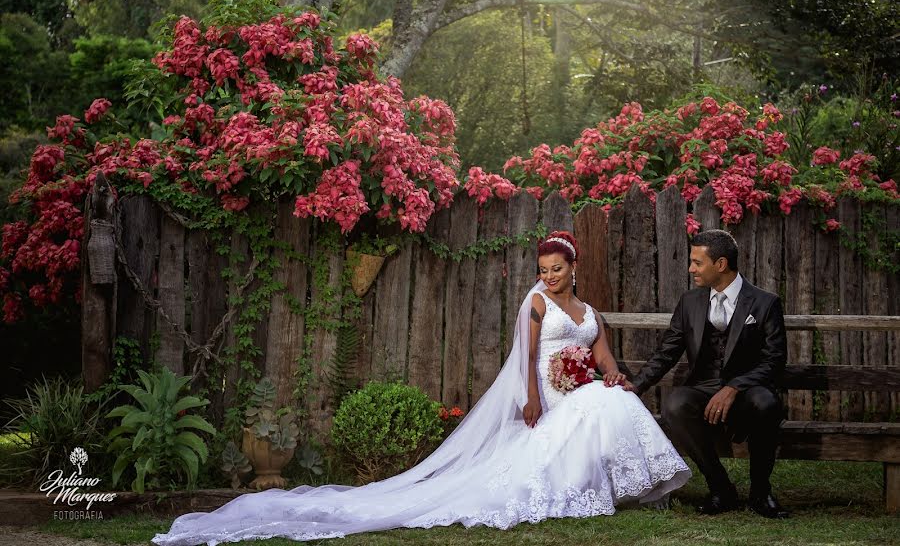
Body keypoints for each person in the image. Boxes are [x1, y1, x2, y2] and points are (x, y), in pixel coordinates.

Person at [152, 230, 690, 546]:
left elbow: (600, 353)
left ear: (573, 267)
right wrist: (531, 394)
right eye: (543, 270)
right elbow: (527, 356)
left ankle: (616, 487)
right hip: (547, 388)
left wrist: (614, 375)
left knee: (611, 397)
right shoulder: (536, 305)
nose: (548, 276)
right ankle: (592, 485)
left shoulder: (588, 310)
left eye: (556, 269)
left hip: (582, 385)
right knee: (595, 403)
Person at [623, 229, 789, 519]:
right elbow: (667, 352)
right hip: (703, 388)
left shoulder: (765, 303)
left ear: (721, 264)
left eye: (697, 263)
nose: (691, 269)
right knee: (675, 405)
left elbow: (774, 361)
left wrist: (735, 386)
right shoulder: (690, 302)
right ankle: (721, 488)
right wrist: (635, 386)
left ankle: (761, 493)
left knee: (767, 403)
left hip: (749, 391)